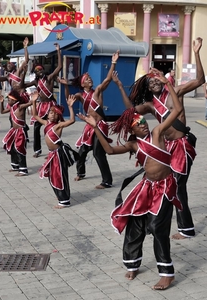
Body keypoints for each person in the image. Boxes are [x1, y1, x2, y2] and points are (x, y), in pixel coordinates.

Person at [77, 70, 183, 290]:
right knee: (135, 225)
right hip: (146, 188)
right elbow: (108, 149)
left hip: (164, 187)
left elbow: (179, 109)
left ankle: (167, 272)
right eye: (139, 124)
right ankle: (133, 263)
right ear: (131, 129)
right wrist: (95, 127)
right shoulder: (133, 145)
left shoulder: (157, 133)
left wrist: (168, 85)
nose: (143, 124)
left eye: (144, 121)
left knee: (156, 227)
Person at [118, 37, 205, 239]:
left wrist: (197, 53)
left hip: (182, 146)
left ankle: (186, 228)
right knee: (169, 183)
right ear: (148, 87)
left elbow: (200, 80)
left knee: (178, 184)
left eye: (156, 78)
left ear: (163, 79)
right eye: (150, 81)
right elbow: (130, 110)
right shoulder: (149, 104)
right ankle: (161, 220)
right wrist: (120, 86)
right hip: (167, 148)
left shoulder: (176, 91)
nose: (154, 81)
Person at [58, 50, 119, 189]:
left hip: (100, 125)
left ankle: (107, 181)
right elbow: (70, 99)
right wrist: (66, 86)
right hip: (89, 127)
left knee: (98, 153)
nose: (89, 79)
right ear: (82, 83)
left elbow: (107, 80)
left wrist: (113, 63)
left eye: (90, 77)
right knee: (82, 151)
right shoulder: (81, 95)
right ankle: (81, 173)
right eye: (86, 79)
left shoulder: (97, 91)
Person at [31, 89, 77, 209]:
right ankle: (60, 195)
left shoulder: (58, 126)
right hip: (52, 154)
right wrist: (34, 102)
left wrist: (70, 107)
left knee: (59, 176)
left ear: (58, 116)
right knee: (52, 176)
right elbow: (35, 115)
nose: (51, 114)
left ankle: (64, 200)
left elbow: (72, 120)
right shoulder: (46, 124)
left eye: (54, 113)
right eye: (50, 112)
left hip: (59, 154)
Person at [24, 43, 62, 158]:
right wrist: (23, 71)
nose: (39, 71)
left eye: (40, 69)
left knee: (53, 126)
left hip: (50, 105)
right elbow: (22, 85)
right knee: (36, 127)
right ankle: (37, 150)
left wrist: (58, 51)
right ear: (35, 73)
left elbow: (59, 66)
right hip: (41, 106)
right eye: (37, 70)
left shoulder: (49, 78)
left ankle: (54, 148)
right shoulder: (36, 82)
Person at [0, 90, 32, 176]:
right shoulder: (11, 107)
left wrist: (34, 100)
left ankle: (23, 170)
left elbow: (30, 103)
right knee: (12, 148)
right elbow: (2, 112)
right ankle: (15, 165)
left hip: (21, 131)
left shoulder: (20, 106)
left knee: (19, 149)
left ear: (14, 100)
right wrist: (1, 103)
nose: (8, 101)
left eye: (9, 100)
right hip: (14, 131)